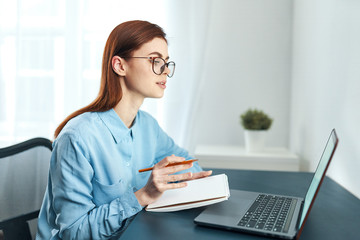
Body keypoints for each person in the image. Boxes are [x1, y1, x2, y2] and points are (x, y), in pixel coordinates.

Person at [36, 20, 212, 239]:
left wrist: (188, 176)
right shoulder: (77, 138)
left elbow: (187, 162)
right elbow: (74, 231)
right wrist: (143, 195)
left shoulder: (147, 125)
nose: (165, 70)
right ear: (120, 65)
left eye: (167, 62)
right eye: (156, 60)